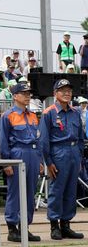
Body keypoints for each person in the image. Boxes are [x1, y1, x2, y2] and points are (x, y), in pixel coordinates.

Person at [40, 79, 84, 240]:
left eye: (69, 90)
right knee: (57, 190)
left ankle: (66, 224)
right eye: (62, 90)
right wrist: (49, 162)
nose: (66, 93)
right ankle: (54, 225)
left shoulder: (75, 112)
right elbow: (44, 141)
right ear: (55, 93)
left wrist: (79, 158)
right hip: (58, 153)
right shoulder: (49, 113)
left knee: (71, 191)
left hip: (73, 153)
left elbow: (80, 138)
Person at [0, 83, 42, 242]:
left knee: (30, 192)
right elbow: (3, 142)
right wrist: (6, 162)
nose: (27, 96)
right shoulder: (8, 116)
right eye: (23, 93)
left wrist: (39, 160)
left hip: (32, 154)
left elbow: (37, 139)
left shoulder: (32, 115)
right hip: (17, 153)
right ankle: (12, 227)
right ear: (15, 96)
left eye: (28, 93)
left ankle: (25, 226)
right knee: (15, 191)